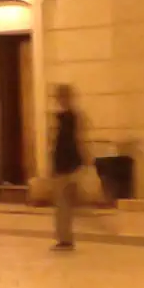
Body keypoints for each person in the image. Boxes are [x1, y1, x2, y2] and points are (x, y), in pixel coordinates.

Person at [49, 84, 84, 251]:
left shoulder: (67, 119)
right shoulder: (68, 117)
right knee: (65, 205)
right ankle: (65, 238)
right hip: (67, 166)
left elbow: (67, 144)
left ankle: (65, 240)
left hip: (65, 167)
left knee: (63, 205)